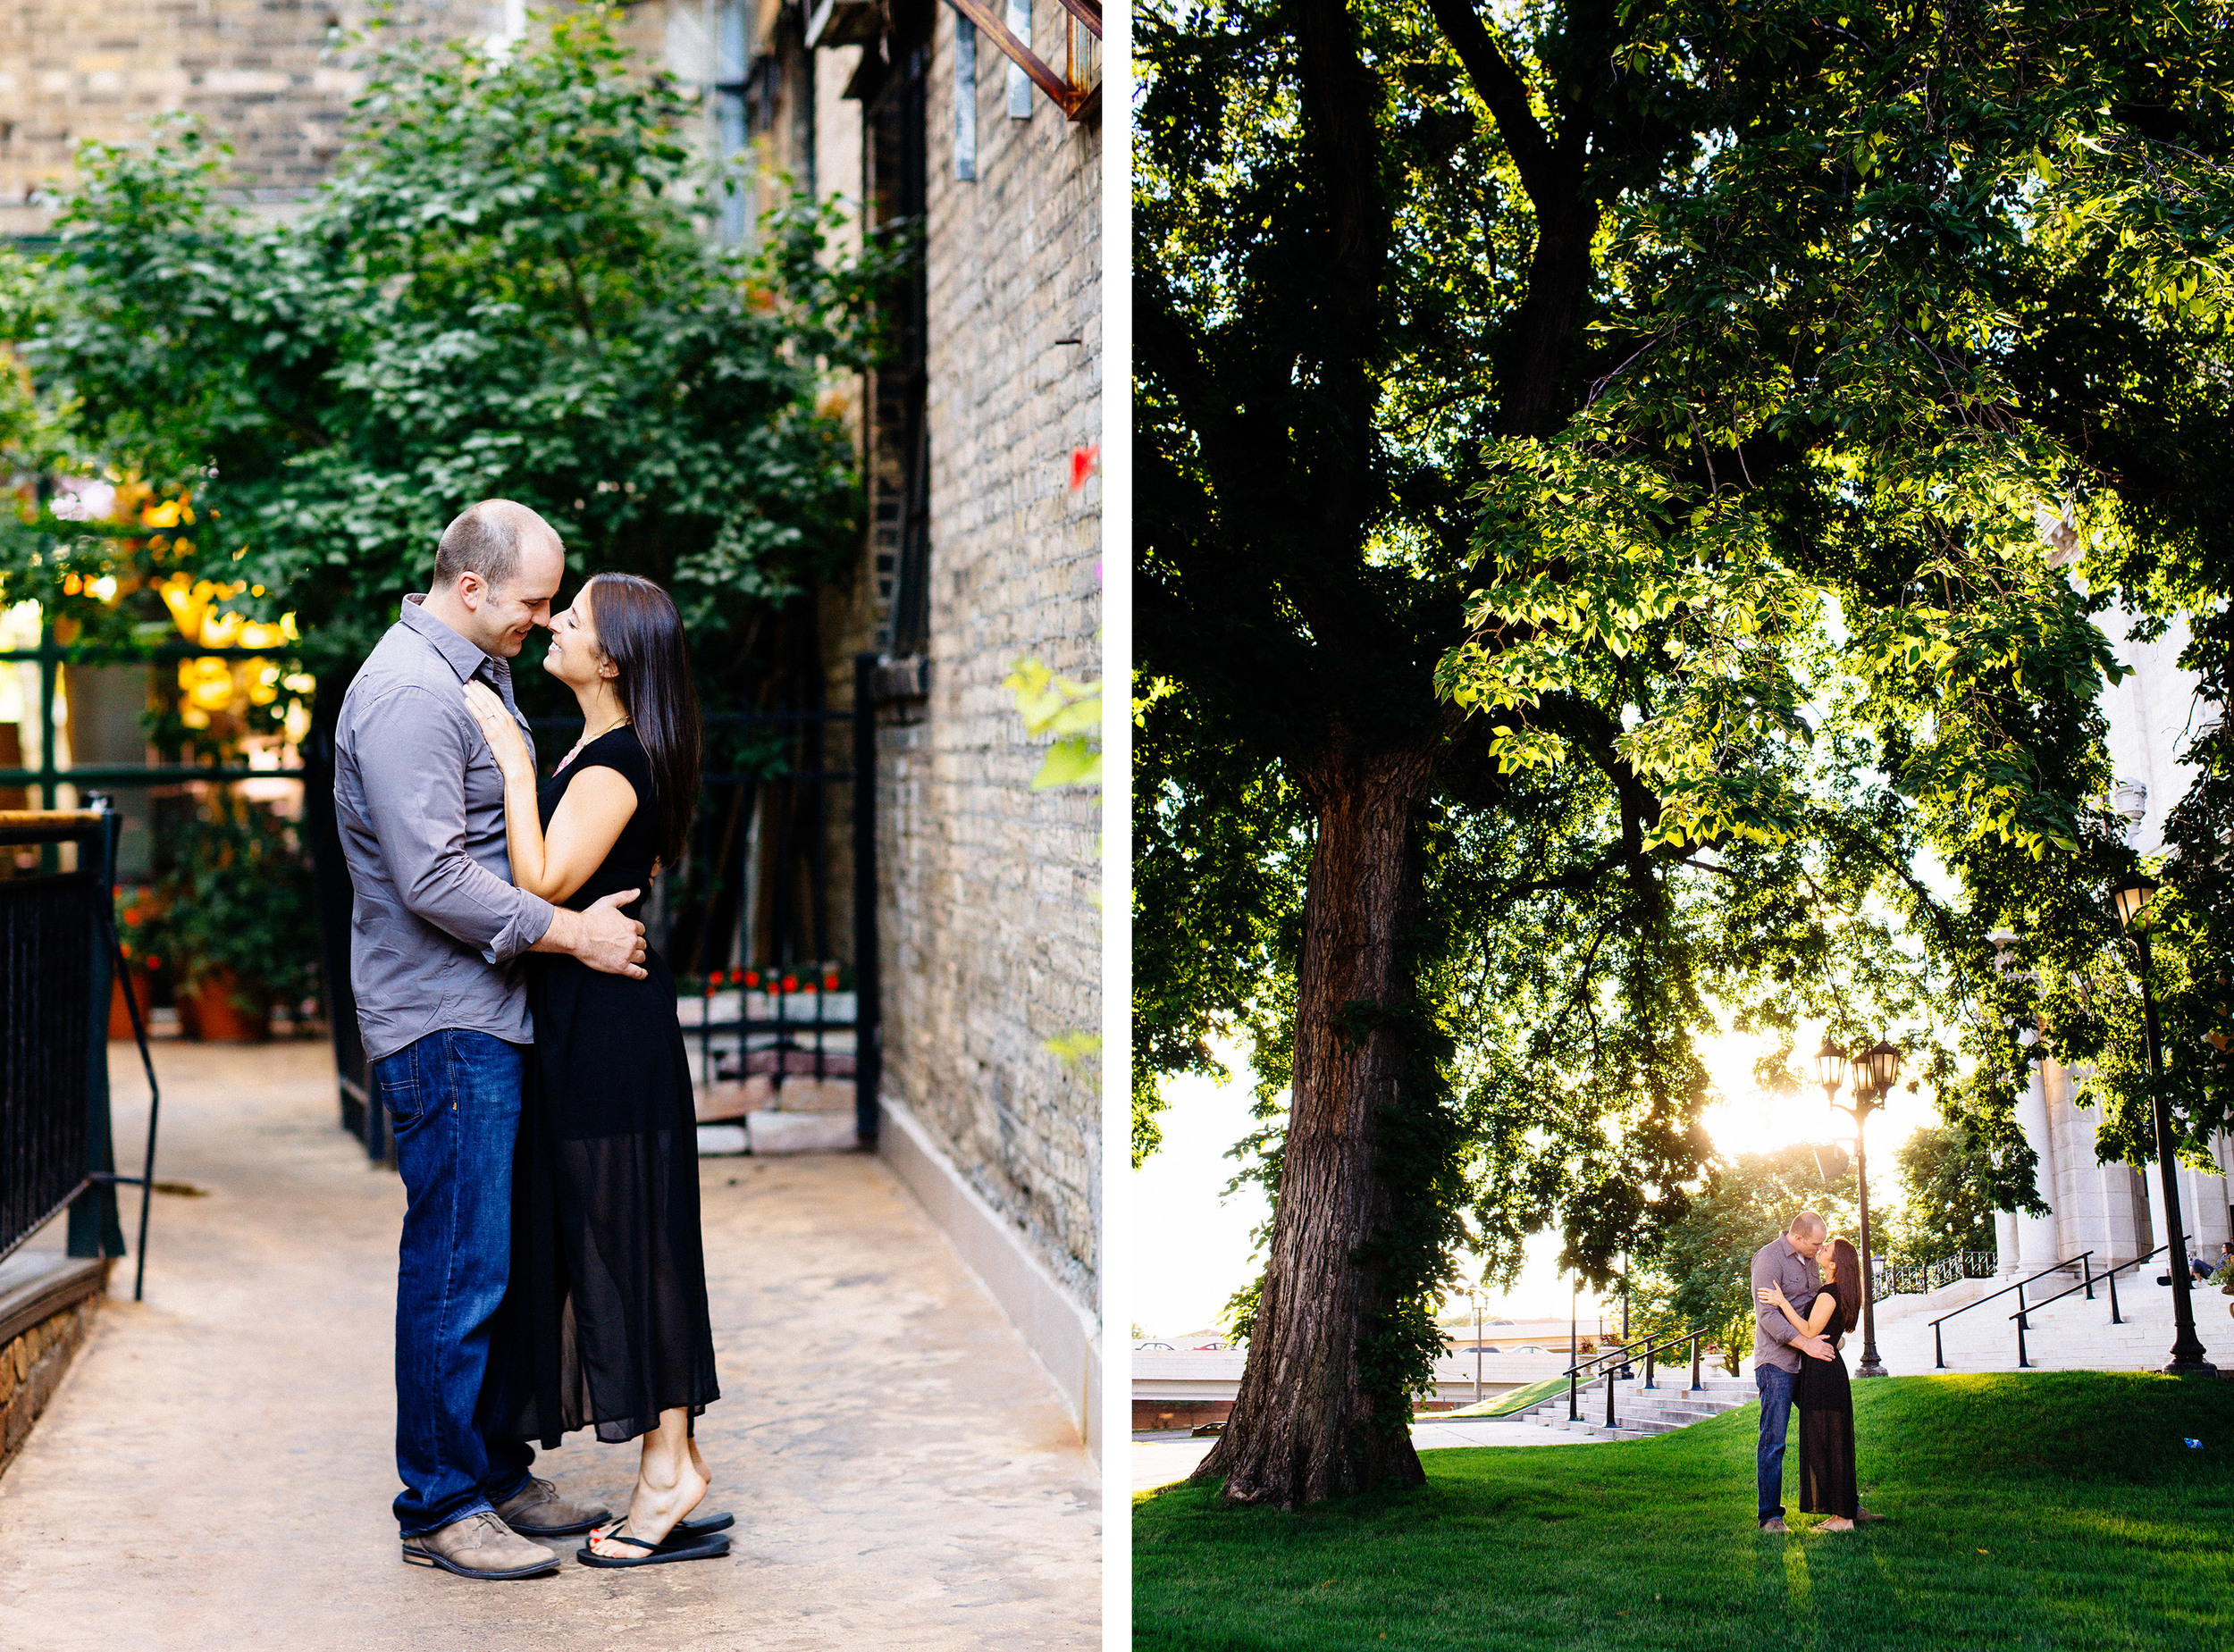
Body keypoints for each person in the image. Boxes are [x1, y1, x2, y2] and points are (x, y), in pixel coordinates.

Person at [335, 500, 651, 1581]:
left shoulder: (473, 668)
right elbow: (430, 879)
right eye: (530, 601)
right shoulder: (409, 695)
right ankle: (437, 1505)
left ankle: (494, 1470)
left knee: (502, 1266)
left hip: (493, 1012)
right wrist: (574, 934)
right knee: (457, 1268)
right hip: (442, 1018)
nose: (544, 618)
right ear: (470, 587)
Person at [465, 571, 726, 1569]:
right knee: (627, 1233)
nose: (550, 629)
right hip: (596, 1017)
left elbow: (540, 882)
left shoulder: (614, 760)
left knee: (627, 1238)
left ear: (610, 658)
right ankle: (676, 1457)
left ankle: (668, 1473)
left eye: (567, 621)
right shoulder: (604, 750)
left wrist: (509, 762)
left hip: (607, 1029)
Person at [1759, 1237, 1883, 1530]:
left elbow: (1809, 1329)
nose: (1821, 1249)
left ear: (1834, 1265)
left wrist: (1781, 1303)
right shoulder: (1839, 1290)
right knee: (1832, 1442)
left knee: (1826, 1441)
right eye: (1820, 1244)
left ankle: (1843, 1517)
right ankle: (1842, 1512)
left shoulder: (1829, 1291)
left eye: (1826, 1249)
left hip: (1822, 1372)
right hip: (1825, 1370)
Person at [1749, 1212, 1835, 1533]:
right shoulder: (1768, 1259)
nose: (1821, 1248)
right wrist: (1807, 1344)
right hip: (1777, 1364)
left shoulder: (1810, 1258)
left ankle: (1844, 1508)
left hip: (1808, 1361)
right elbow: (1768, 1317)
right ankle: (1770, 1517)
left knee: (1828, 1430)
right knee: (1774, 1441)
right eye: (1816, 1243)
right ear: (1797, 1238)